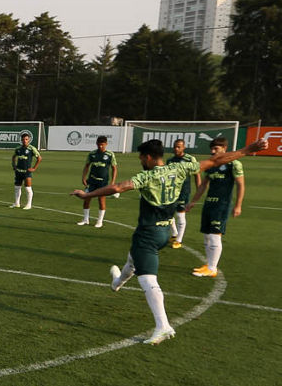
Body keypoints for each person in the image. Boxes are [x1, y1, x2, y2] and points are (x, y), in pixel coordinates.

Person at [71, 137, 265, 345]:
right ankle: (117, 282)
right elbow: (216, 161)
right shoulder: (179, 168)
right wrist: (247, 149)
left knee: (147, 279)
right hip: (165, 233)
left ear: (148, 157)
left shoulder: (147, 176)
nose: (140, 161)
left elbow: (119, 187)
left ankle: (163, 326)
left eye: (141, 158)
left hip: (148, 234)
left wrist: (87, 195)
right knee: (132, 260)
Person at [187, 137, 246, 279]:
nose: (213, 151)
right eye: (212, 149)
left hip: (222, 205)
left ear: (225, 148)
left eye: (216, 149)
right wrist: (193, 201)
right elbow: (203, 185)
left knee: (214, 235)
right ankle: (208, 264)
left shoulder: (234, 164)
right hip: (209, 204)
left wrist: (238, 205)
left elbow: (240, 185)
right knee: (207, 235)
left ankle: (212, 268)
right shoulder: (211, 164)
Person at [166, 138, 200, 248]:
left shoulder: (190, 159)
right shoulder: (170, 160)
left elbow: (197, 174)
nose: (176, 149)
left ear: (183, 147)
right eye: (175, 146)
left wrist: (199, 190)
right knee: (168, 214)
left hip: (183, 191)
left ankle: (179, 240)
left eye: (179, 147)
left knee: (180, 214)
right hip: (171, 191)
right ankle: (174, 234)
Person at [78, 135, 116, 227]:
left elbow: (114, 168)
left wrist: (113, 182)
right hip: (91, 181)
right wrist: (83, 177)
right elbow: (87, 166)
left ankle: (100, 221)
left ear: (106, 144)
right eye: (99, 144)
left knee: (101, 200)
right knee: (86, 198)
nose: (100, 146)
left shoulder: (110, 154)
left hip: (103, 182)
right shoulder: (92, 154)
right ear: (96, 144)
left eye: (102, 144)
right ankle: (85, 219)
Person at [11, 132, 41, 209]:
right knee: (17, 187)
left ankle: (29, 204)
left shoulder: (31, 149)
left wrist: (34, 168)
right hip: (18, 171)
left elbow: (39, 158)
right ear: (21, 140)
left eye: (26, 139)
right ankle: (17, 203)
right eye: (23, 139)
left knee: (28, 188)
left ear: (29, 140)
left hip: (27, 172)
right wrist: (14, 165)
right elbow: (13, 157)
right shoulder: (18, 149)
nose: (25, 141)